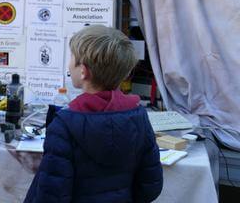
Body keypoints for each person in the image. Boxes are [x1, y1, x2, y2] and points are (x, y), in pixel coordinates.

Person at [25, 25, 163, 202]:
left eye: (71, 58)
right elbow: (150, 186)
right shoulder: (139, 116)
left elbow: (51, 195)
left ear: (83, 71)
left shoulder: (64, 124)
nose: (69, 64)